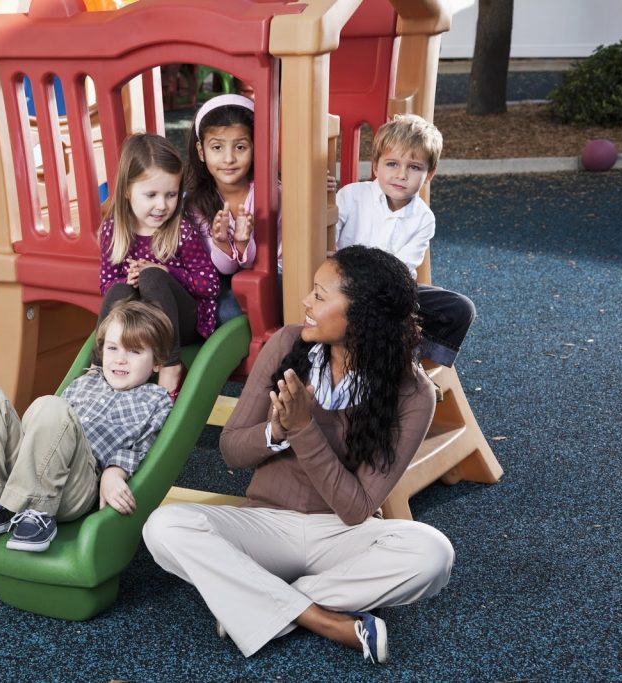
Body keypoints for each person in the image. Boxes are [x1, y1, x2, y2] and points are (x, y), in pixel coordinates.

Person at [143, 245, 455, 663]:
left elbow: (356, 508)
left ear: (362, 316)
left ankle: (256, 600)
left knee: (433, 554)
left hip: (342, 535)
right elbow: (231, 451)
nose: (306, 303)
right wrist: (275, 430)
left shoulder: (413, 393)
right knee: (163, 527)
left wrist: (305, 428)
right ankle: (325, 619)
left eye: (320, 296)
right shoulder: (288, 343)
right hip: (264, 525)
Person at [0, 300, 174, 553]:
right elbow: (46, 431)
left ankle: (39, 514)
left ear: (158, 363)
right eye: (113, 348)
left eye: (135, 352)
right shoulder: (83, 383)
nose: (120, 359)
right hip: (27, 471)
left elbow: (144, 446)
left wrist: (113, 472)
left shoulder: (154, 399)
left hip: (73, 487)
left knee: (52, 407)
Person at [335, 113, 476, 367]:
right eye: (392, 164)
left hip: (388, 294)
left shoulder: (423, 219)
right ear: (375, 166)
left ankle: (412, 363)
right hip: (343, 287)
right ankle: (391, 361)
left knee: (460, 308)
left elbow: (399, 273)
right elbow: (329, 248)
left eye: (414, 167)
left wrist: (383, 289)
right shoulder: (351, 197)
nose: (401, 175)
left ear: (429, 175)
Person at [184, 93, 334, 324]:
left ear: (256, 148)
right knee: (220, 311)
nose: (229, 158)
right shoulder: (198, 204)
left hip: (279, 271)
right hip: (230, 277)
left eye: (240, 147)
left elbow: (302, 205)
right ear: (201, 151)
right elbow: (224, 269)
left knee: (268, 306)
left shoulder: (271, 191)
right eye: (217, 147)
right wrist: (223, 243)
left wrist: (313, 187)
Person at [97, 132, 220, 399]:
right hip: (142, 324)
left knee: (152, 276)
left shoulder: (181, 231)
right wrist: (126, 282)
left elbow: (210, 284)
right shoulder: (113, 230)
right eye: (151, 195)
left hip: (182, 323)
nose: (162, 205)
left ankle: (171, 364)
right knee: (117, 292)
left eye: (171, 195)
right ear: (128, 191)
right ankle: (98, 367)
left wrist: (167, 272)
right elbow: (105, 283)